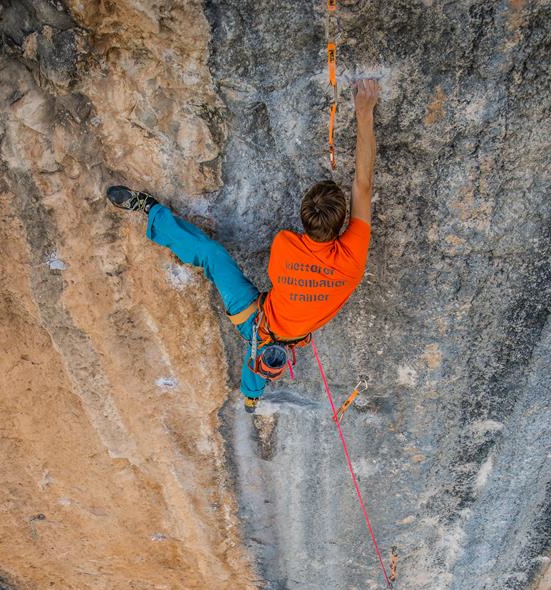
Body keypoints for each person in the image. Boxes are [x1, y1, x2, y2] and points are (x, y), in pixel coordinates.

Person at [107, 78, 380, 412]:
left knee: (212, 255)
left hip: (259, 320)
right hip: (266, 324)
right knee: (257, 353)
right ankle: (252, 394)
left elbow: (361, 187)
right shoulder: (352, 258)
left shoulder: (285, 243)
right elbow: (362, 186)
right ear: (342, 226)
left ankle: (150, 210)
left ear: (303, 217)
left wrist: (363, 108)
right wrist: (365, 112)